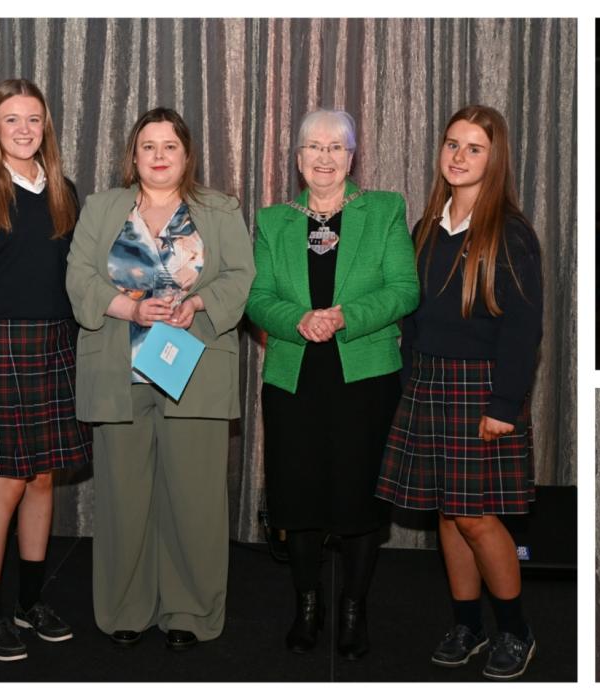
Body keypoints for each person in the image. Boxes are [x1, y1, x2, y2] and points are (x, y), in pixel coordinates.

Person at [66, 107, 252, 652]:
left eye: (170, 146)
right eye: (148, 146)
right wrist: (125, 307)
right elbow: (77, 274)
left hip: (193, 369)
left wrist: (197, 303)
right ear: (134, 154)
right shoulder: (102, 208)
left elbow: (242, 277)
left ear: (186, 154)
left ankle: (190, 613)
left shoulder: (219, 210)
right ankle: (127, 608)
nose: (159, 156)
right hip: (117, 373)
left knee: (194, 500)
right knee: (124, 500)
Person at [376, 105, 543, 680]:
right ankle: (468, 624)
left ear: (493, 160)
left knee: (476, 518)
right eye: (452, 144)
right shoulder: (425, 228)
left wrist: (504, 406)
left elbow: (524, 328)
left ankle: (516, 631)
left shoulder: (511, 232)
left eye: (474, 148)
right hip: (426, 383)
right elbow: (411, 319)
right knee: (448, 515)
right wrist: (407, 384)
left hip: (483, 391)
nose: (459, 156)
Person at [244, 109, 418, 659]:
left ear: (352, 155)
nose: (324, 156)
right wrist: (297, 319)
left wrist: (344, 315)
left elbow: (404, 290)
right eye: (313, 147)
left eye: (335, 147)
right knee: (298, 494)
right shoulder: (273, 220)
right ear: (298, 159)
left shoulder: (385, 209)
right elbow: (257, 297)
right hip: (294, 375)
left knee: (358, 495)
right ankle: (308, 605)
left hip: (364, 376)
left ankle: (353, 610)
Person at [0, 78, 90, 662]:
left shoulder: (63, 191)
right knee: (2, 486)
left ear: (45, 126)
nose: (24, 129)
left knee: (43, 479)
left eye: (33, 119)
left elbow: (73, 280)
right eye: (12, 119)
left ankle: (31, 604)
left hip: (53, 348)